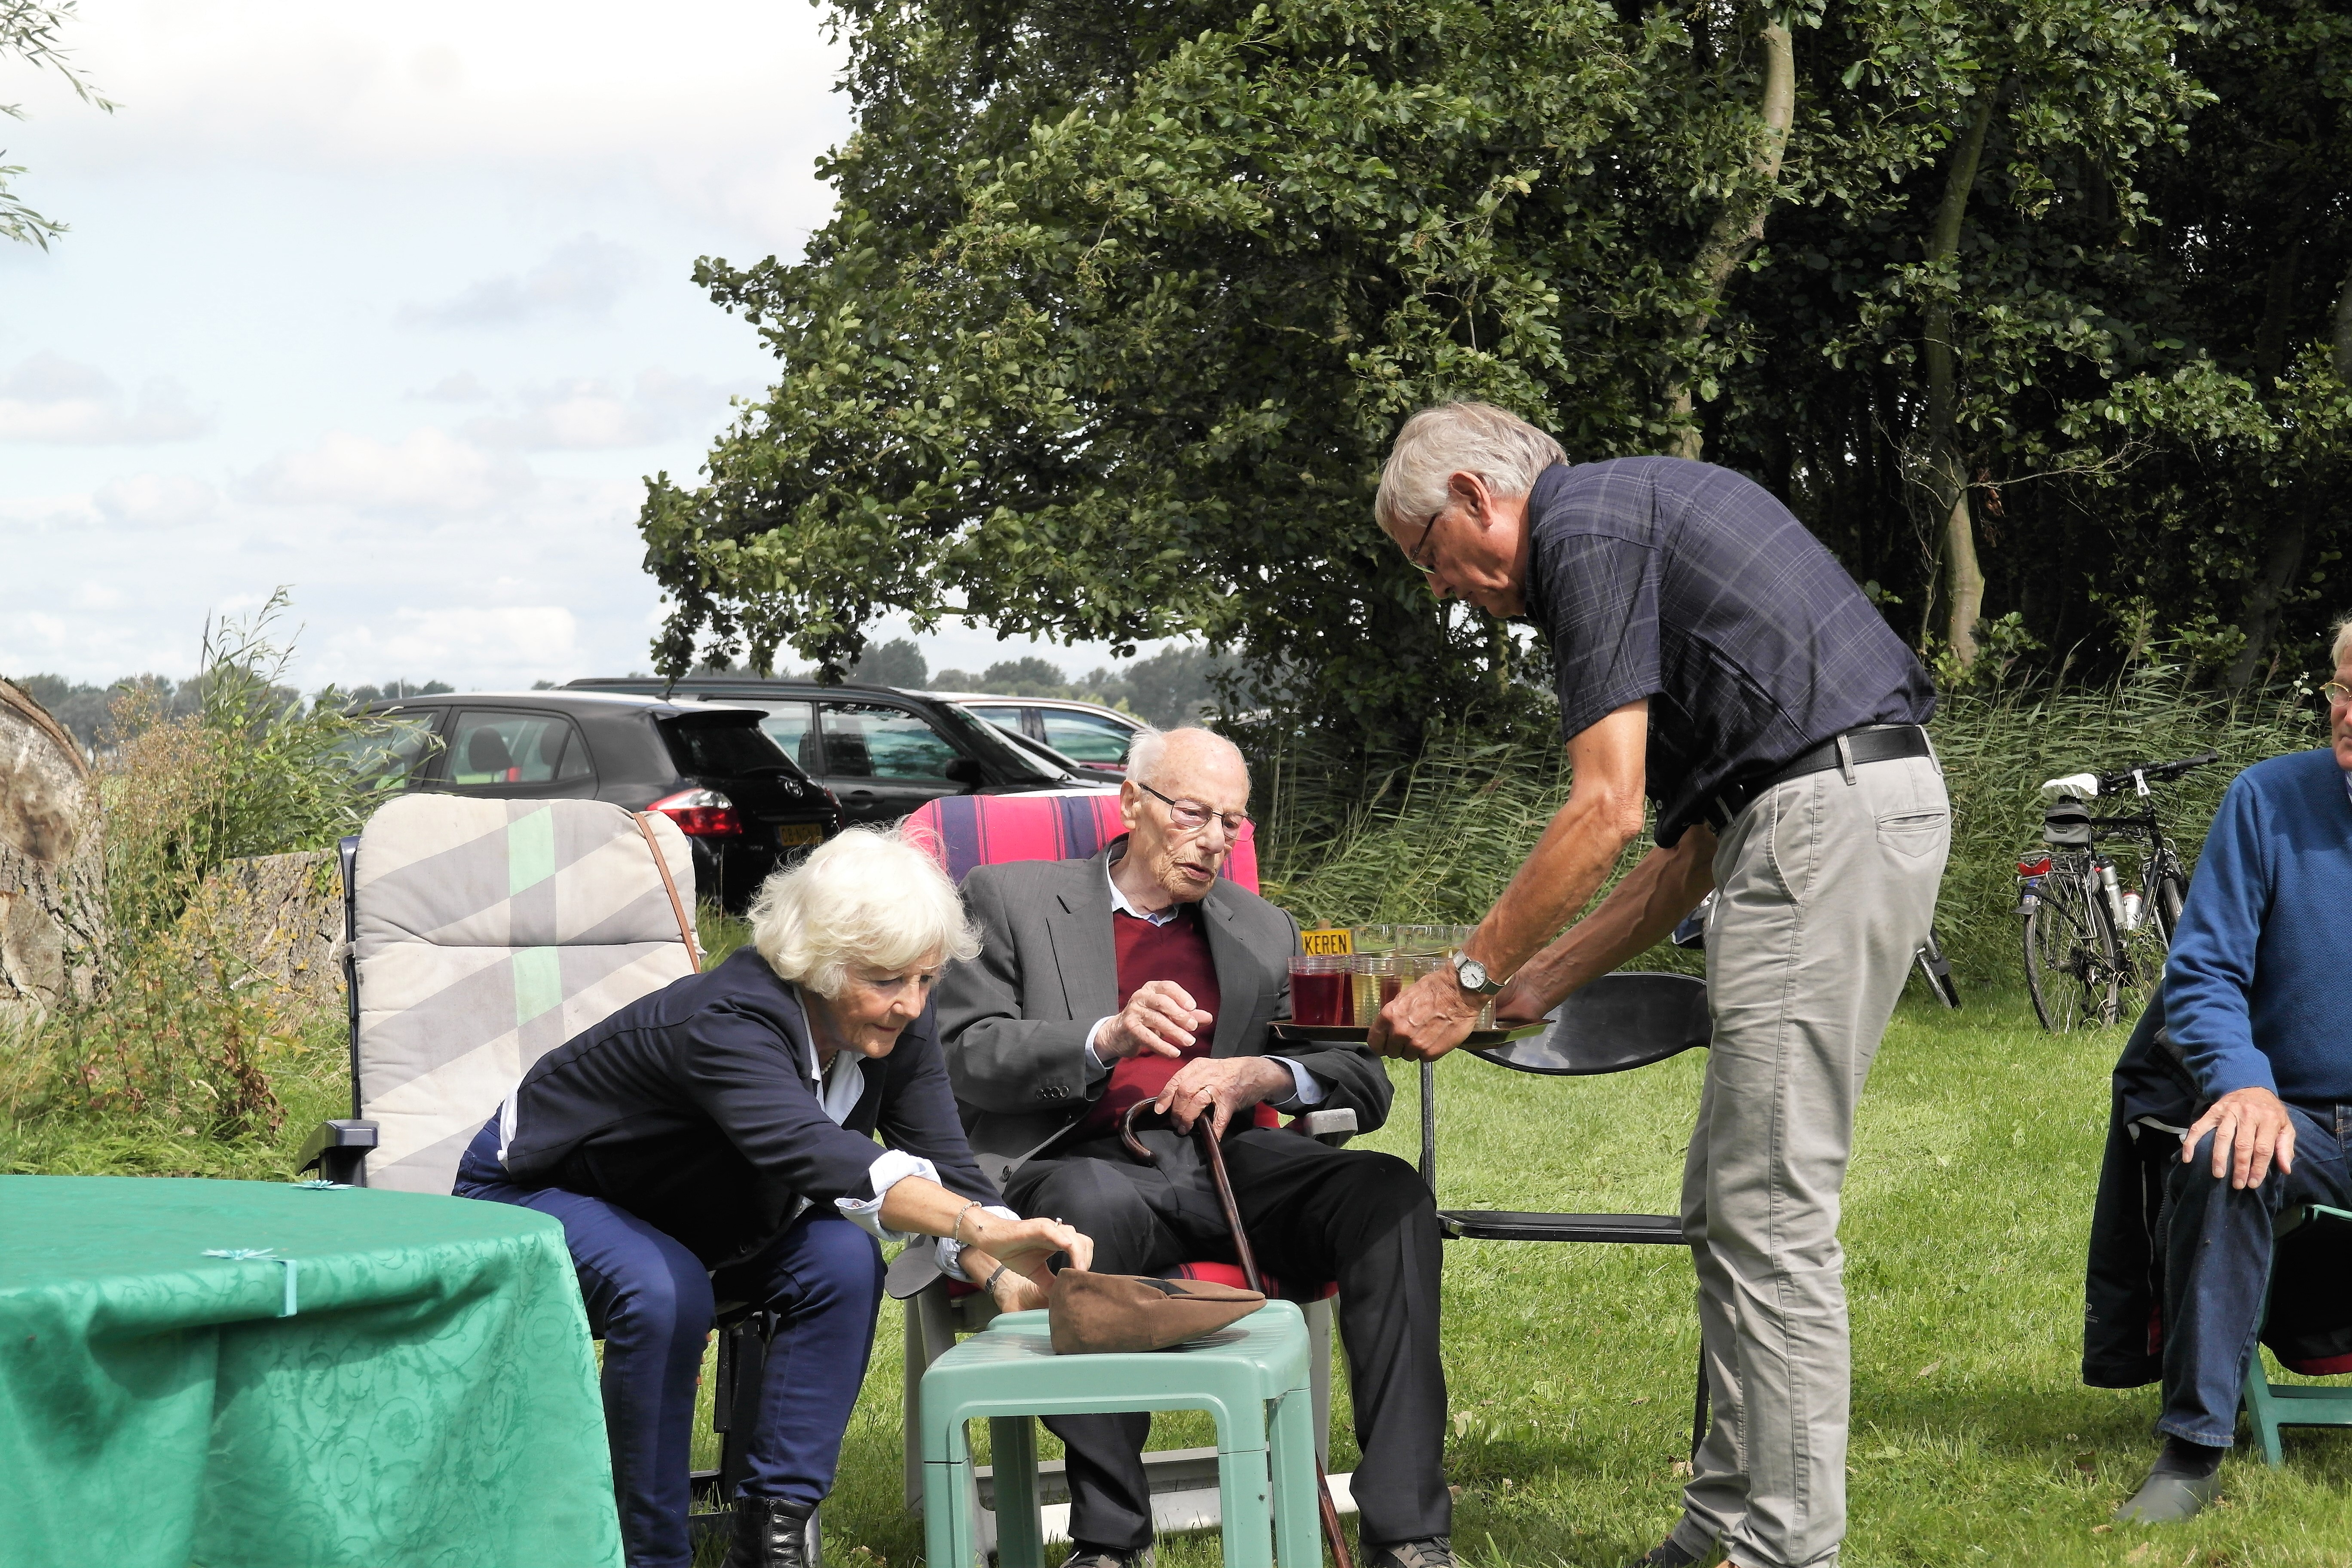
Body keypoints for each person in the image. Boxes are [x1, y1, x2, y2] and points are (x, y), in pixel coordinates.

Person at [1363, 403, 1949, 1568]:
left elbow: (1606, 810)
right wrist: (1537, 979)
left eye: (1431, 556)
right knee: (1726, 1205)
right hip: (1819, 814)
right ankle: (1718, 1525)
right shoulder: (1628, 520)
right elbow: (1689, 849)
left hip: (1824, 826)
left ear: (1478, 497)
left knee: (1770, 1211)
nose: (1441, 589)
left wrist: (1466, 980)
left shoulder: (1583, 533)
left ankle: (1788, 1551)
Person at [454, 828, 1091, 1568]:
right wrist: (978, 1227)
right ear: (821, 961)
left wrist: (1004, 1273)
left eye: (926, 979)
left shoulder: (894, 1025)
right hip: (533, 1194)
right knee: (664, 1290)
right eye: (888, 980)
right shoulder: (727, 1020)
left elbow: (949, 1166)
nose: (912, 1004)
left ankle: (770, 1545)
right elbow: (815, 1153)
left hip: (699, 1215)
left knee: (842, 1261)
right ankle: (649, 1554)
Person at [936, 726, 1455, 1568]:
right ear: (1132, 803)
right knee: (1087, 1211)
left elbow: (1362, 1077)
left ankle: (1407, 1533)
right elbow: (968, 1052)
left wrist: (1261, 1074)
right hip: (1084, 1160)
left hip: (1231, 1162)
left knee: (1387, 1198)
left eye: (1232, 822)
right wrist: (1105, 1036)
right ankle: (1111, 1540)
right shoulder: (1010, 898)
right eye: (1193, 814)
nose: (1215, 840)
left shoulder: (1262, 928)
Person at [2101, 618, 2352, 1524]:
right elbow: (2204, 972)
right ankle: (2193, 1449)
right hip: (2297, 1115)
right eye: (2344, 691)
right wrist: (2244, 1084)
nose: (2350, 715)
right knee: (2223, 1151)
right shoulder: (2268, 801)